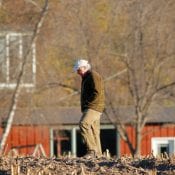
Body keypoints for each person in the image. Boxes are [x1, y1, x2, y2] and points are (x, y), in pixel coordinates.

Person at [73, 59, 105, 158]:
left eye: (79, 70)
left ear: (84, 67)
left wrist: (90, 104)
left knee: (84, 124)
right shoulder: (87, 77)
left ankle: (92, 150)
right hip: (95, 107)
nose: (78, 73)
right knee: (94, 131)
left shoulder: (93, 75)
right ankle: (98, 155)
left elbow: (98, 92)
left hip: (94, 107)